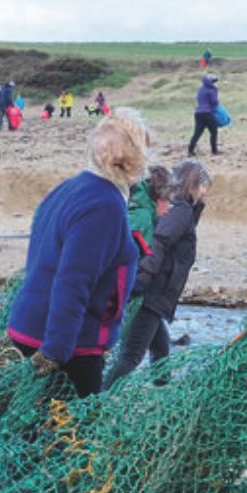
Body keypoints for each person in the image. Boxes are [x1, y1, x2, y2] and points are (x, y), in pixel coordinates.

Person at [6, 108, 150, 398]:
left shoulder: (68, 189)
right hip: (66, 346)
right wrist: (54, 352)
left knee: (31, 434)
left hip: (33, 329)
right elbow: (73, 281)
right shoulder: (103, 205)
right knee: (68, 438)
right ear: (131, 157)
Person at [103, 160, 211, 391]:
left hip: (157, 295)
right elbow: (159, 243)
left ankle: (162, 393)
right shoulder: (180, 212)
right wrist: (143, 278)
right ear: (194, 184)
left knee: (161, 349)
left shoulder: (185, 212)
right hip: (152, 292)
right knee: (131, 356)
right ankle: (95, 402)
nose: (206, 192)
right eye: (204, 186)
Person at [188, 74, 221, 156]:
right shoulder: (212, 90)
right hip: (208, 113)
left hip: (198, 113)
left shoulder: (201, 89)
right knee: (213, 131)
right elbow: (214, 102)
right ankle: (214, 150)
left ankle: (190, 150)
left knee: (197, 133)